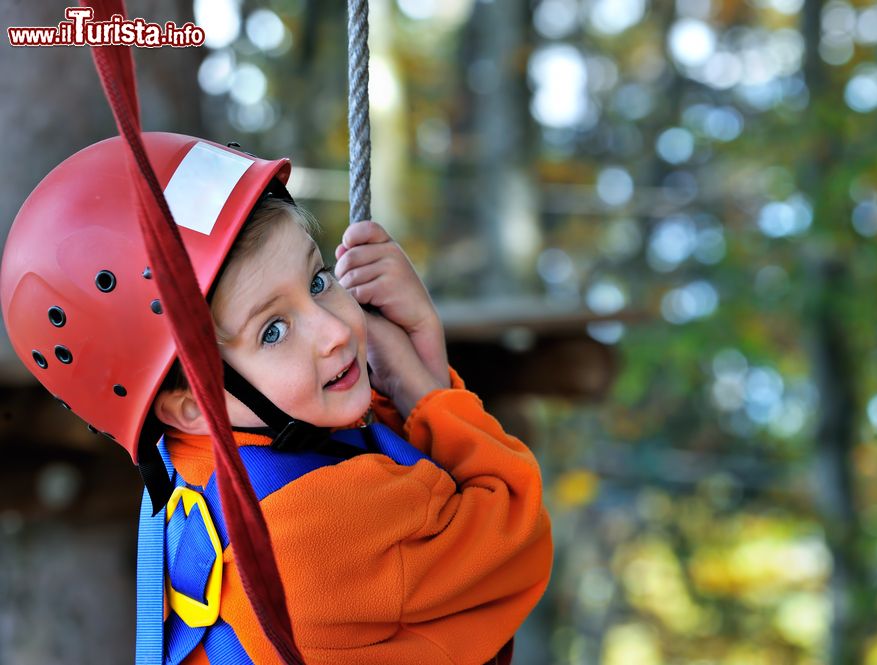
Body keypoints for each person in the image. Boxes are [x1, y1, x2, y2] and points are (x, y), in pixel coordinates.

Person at [0, 132, 552, 664]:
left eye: (317, 281)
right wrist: (422, 387)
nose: (334, 331)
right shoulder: (319, 524)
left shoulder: (193, 472)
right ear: (191, 405)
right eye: (273, 331)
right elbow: (516, 538)